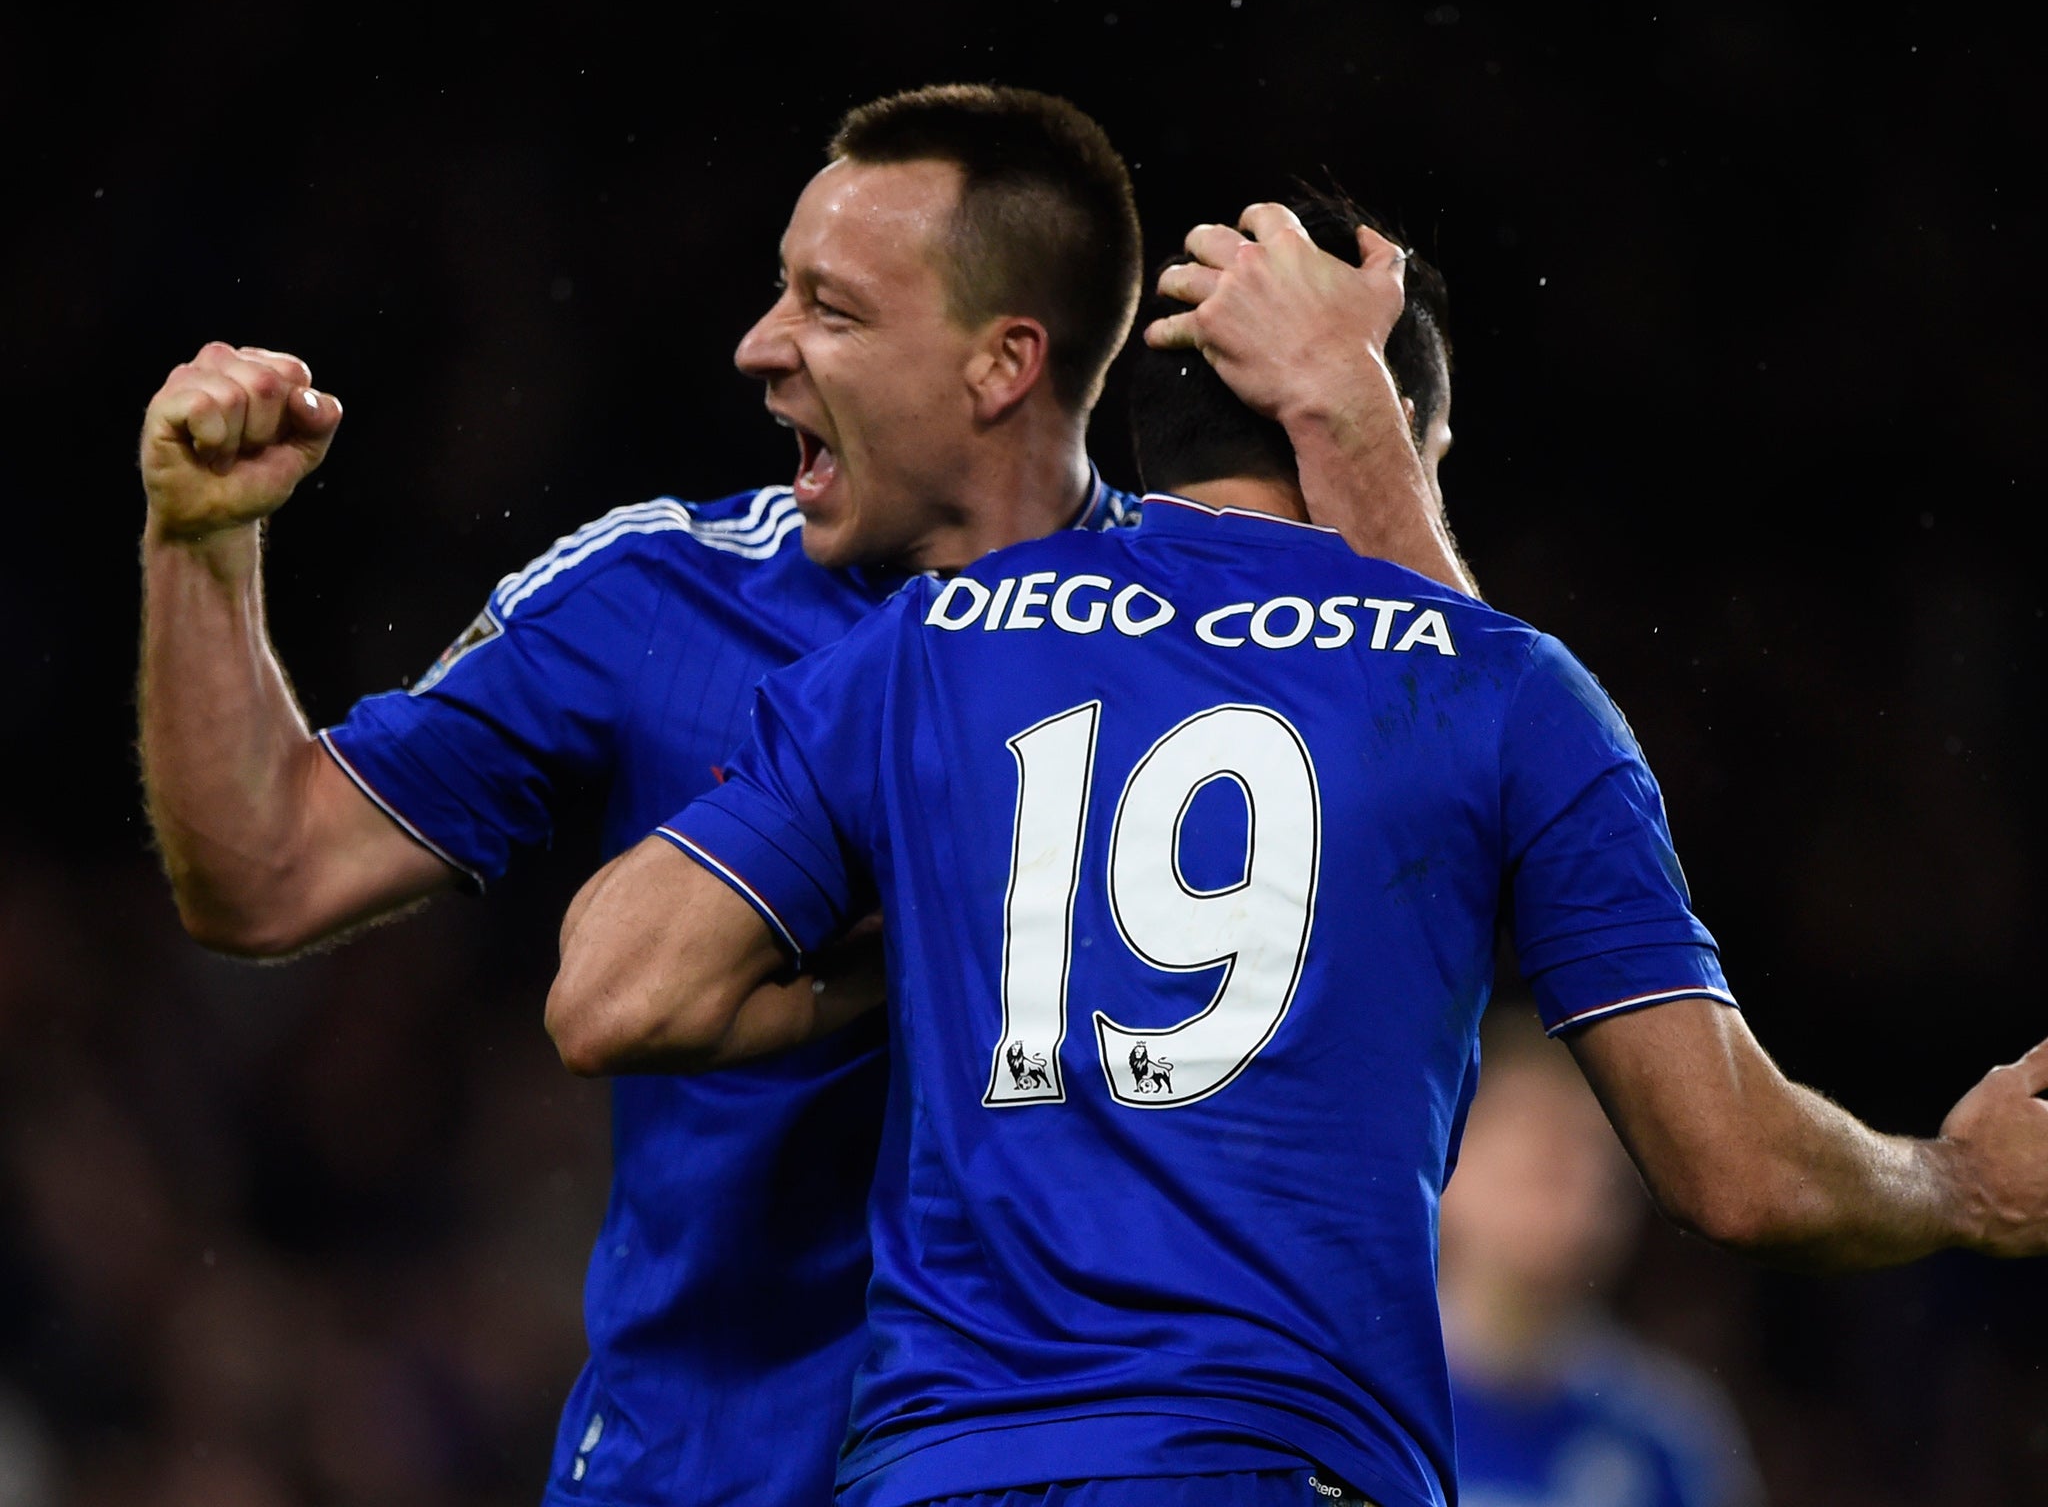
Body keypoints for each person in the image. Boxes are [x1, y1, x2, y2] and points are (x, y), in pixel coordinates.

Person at [546, 194, 2048, 1507]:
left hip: (942, 1470)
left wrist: (969, 946)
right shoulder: (1502, 694)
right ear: (1417, 440)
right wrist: (1959, 1183)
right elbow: (1739, 1175)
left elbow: (614, 996)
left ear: (1150, 432)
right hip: (1270, 1460)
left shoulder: (932, 643)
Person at [135, 87, 1468, 1505]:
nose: (760, 346)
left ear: (1002, 363)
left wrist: (1367, 438)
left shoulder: (1200, 646)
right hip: (702, 1469)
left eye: (828, 308)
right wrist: (201, 550)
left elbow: (1516, 808)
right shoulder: (657, 597)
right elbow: (264, 873)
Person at [1440, 1009, 1763, 1507]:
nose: (1558, 1170)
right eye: (1532, 1151)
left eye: (1588, 1150)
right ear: (1445, 1170)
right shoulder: (1343, 1404)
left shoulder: (1668, 1434)